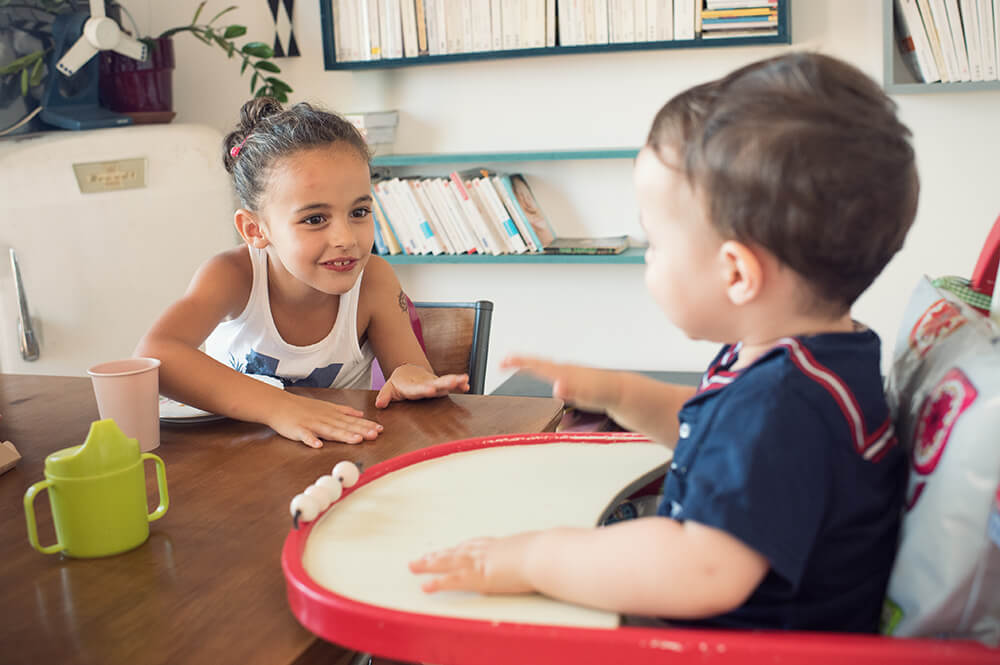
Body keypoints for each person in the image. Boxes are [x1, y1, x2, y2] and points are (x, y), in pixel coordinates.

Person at [410, 52, 917, 633]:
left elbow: (700, 570)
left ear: (736, 274)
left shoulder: (784, 404)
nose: (648, 259)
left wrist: (532, 558)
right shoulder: (808, 356)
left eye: (655, 242)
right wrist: (619, 392)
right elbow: (715, 437)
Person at [135, 98, 469, 448]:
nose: (345, 239)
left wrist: (409, 377)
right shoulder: (231, 275)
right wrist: (280, 408)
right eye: (314, 219)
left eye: (359, 212)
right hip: (231, 464)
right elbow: (154, 355)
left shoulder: (373, 279)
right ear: (254, 230)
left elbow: (407, 369)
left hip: (335, 462)